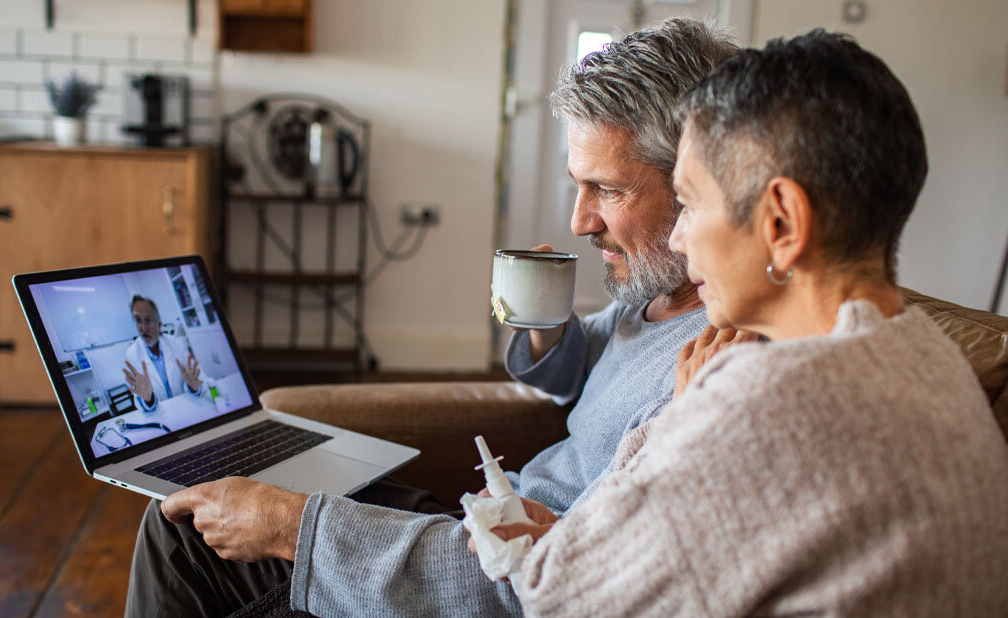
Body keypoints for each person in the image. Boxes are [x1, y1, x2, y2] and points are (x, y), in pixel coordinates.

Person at [124, 19, 738, 617]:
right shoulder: (655, 296)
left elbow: (524, 587)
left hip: (490, 570)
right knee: (208, 499)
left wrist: (290, 526)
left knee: (181, 526)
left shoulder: (713, 360)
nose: (579, 222)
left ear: (696, 180)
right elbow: (588, 367)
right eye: (577, 185)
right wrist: (548, 326)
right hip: (486, 518)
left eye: (607, 189)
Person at [486, 31, 1008, 617]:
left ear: (782, 223)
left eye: (694, 202)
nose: (680, 237)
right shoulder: (927, 356)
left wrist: (683, 419)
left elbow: (560, 596)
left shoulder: (768, 402)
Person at [124, 294, 207, 411]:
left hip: (187, 409)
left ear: (159, 324)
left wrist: (193, 387)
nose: (143, 328)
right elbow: (140, 398)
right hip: (160, 416)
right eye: (138, 321)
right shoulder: (132, 354)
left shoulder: (177, 344)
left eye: (148, 321)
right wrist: (148, 399)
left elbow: (198, 380)